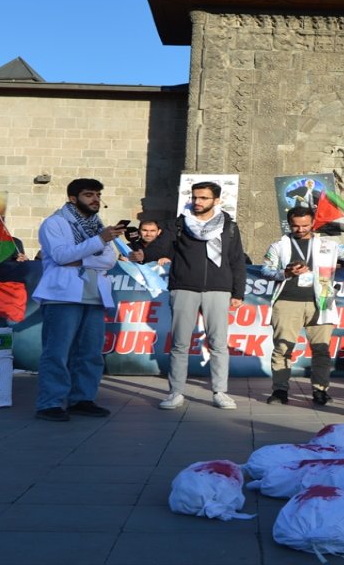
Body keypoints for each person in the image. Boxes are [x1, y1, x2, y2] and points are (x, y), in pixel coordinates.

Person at [148, 181, 248, 410]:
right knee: (180, 344)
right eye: (195, 197)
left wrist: (238, 292)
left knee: (219, 344)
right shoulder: (180, 224)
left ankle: (220, 392)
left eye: (203, 198)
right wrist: (142, 253)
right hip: (184, 288)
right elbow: (158, 248)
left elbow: (237, 261)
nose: (198, 202)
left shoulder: (229, 227)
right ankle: (175, 392)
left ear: (217, 200)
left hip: (218, 289)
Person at [31, 178, 125, 422]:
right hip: (62, 295)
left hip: (94, 294)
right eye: (88, 194)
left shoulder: (97, 225)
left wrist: (82, 258)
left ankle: (82, 399)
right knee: (58, 352)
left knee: (91, 352)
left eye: (97, 194)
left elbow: (109, 260)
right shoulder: (55, 223)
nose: (95, 199)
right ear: (73, 198)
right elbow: (61, 255)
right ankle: (50, 403)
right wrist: (98, 242)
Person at [263, 207, 344, 405]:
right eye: (296, 226)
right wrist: (286, 273)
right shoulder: (279, 245)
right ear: (289, 224)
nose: (300, 229)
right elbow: (266, 270)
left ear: (313, 223)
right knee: (282, 348)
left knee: (321, 349)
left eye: (305, 225)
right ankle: (280, 391)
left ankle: (320, 390)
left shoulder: (329, 245)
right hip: (287, 302)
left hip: (321, 302)